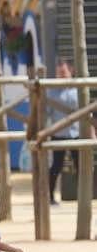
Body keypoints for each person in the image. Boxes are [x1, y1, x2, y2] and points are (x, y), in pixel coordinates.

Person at [47, 62, 81, 204]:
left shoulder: (78, 90)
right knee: (56, 166)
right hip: (58, 133)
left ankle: (83, 195)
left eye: (63, 72)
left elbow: (85, 111)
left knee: (81, 166)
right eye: (59, 73)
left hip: (75, 133)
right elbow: (46, 113)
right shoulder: (51, 92)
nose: (61, 75)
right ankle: (50, 197)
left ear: (70, 72)